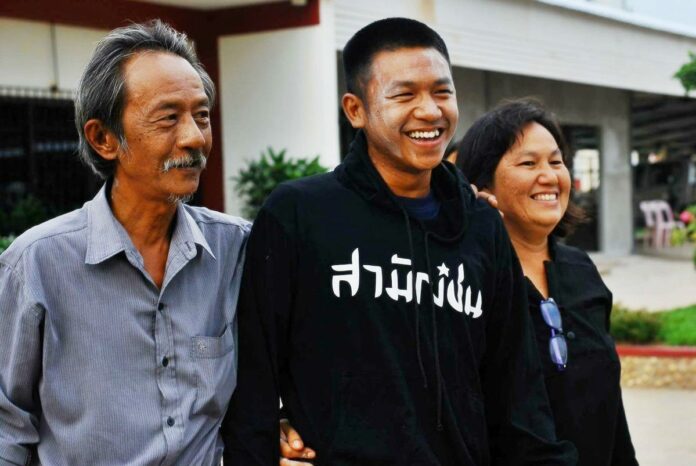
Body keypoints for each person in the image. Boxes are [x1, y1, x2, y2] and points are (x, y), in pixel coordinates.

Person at [223, 17, 577, 465]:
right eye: (404, 94)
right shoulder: (300, 214)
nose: (430, 111)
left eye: (442, 92)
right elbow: (254, 376)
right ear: (355, 110)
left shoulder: (481, 226)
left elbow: (518, 392)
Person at [0, 20, 250, 465]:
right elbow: (6, 428)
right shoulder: (36, 264)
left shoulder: (236, 251)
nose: (194, 137)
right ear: (103, 138)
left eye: (202, 115)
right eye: (169, 117)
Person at [456, 99, 638, 465]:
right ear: (483, 182)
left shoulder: (580, 268)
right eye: (528, 163)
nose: (550, 176)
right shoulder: (465, 281)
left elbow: (609, 406)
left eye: (556, 161)